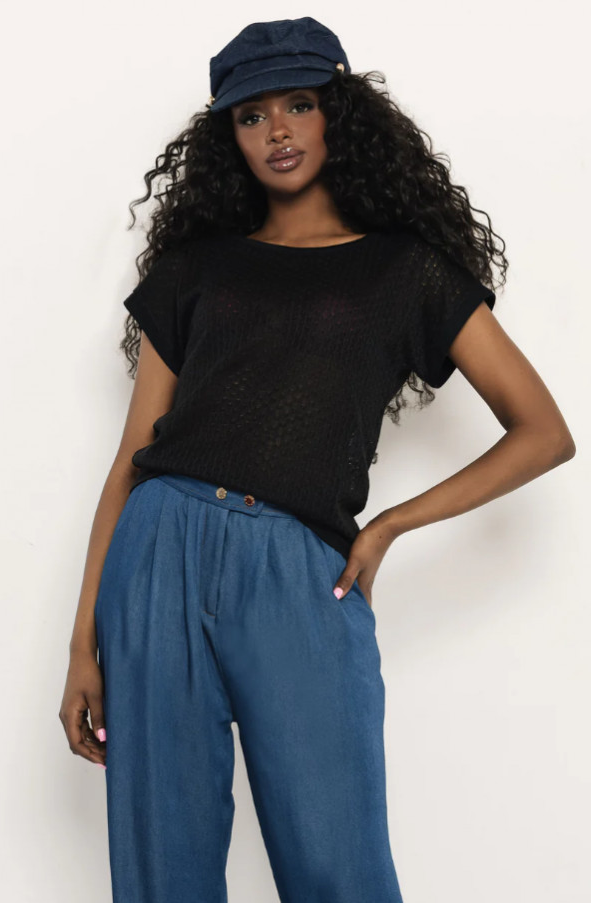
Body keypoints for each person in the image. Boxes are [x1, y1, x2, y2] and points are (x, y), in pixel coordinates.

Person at [59, 16, 576, 903]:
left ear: (342, 113)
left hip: (299, 569)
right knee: (160, 870)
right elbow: (130, 461)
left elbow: (544, 431)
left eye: (299, 104)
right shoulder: (196, 268)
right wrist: (83, 645)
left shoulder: (406, 270)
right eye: (250, 115)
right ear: (228, 137)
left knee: (340, 868)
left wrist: (390, 525)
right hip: (158, 547)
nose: (278, 131)